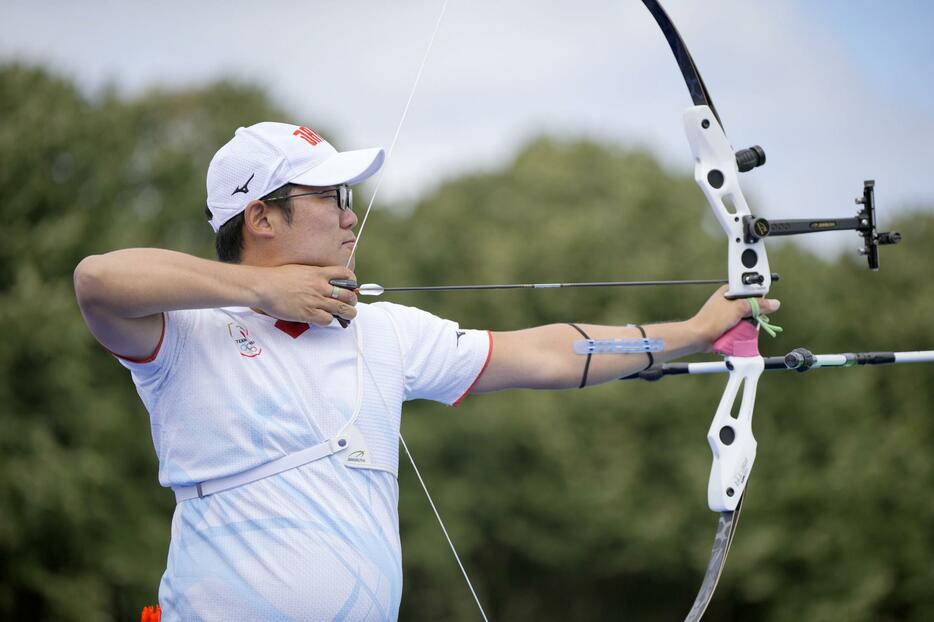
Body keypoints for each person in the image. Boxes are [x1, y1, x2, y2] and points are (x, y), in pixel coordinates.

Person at [73, 122, 779, 621]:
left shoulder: (383, 333)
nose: (351, 219)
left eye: (350, 199)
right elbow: (96, 280)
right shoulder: (185, 335)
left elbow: (545, 354)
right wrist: (263, 292)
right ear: (261, 216)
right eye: (331, 198)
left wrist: (692, 331)